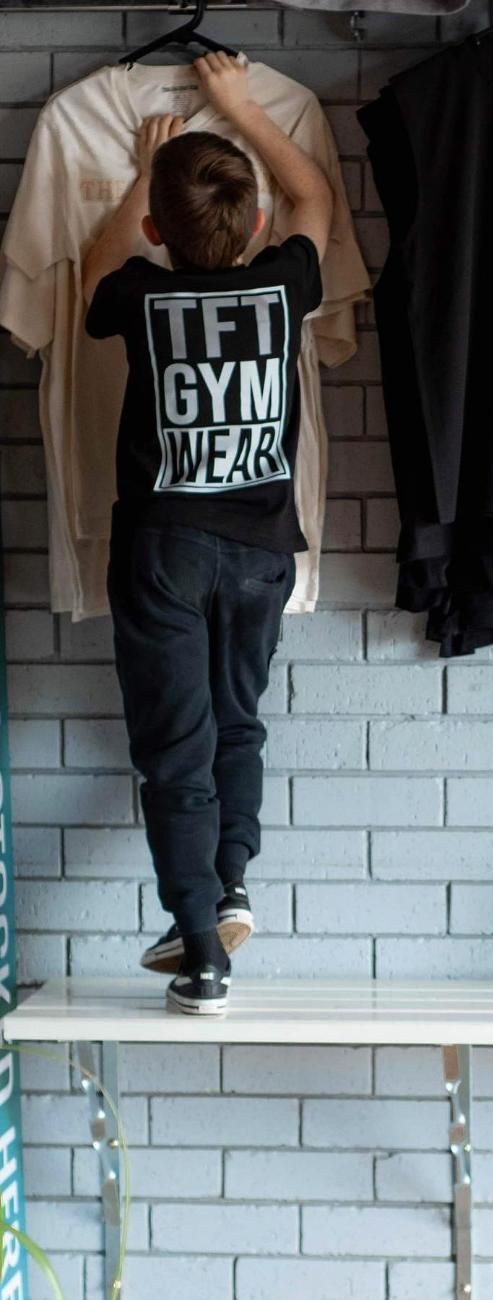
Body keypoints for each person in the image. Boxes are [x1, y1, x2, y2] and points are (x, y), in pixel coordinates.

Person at [82, 53, 333, 1015]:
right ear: (257, 225)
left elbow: (98, 271)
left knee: (175, 751)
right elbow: (313, 190)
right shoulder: (283, 285)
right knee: (237, 724)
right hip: (262, 553)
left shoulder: (141, 294)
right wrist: (236, 109)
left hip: (164, 550)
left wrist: (141, 180)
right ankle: (228, 887)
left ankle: (202, 952)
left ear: (155, 229)